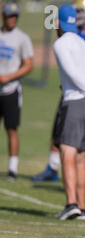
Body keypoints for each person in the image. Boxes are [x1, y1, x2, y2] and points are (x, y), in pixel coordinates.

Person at [33, 0, 85, 183]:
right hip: (77, 89)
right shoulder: (77, 35)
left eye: (81, 10)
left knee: (84, 139)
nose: (78, 14)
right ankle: (53, 168)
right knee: (60, 130)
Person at [53, 5, 85, 220]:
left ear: (58, 23)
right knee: (81, 156)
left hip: (75, 101)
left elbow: (73, 73)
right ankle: (82, 207)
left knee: (67, 151)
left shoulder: (61, 43)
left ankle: (71, 203)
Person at [0, 2, 33, 180]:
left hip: (11, 90)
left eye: (15, 16)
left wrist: (9, 76)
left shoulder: (22, 38)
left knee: (11, 129)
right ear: (3, 16)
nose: (12, 19)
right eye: (9, 16)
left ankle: (12, 169)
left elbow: (29, 65)